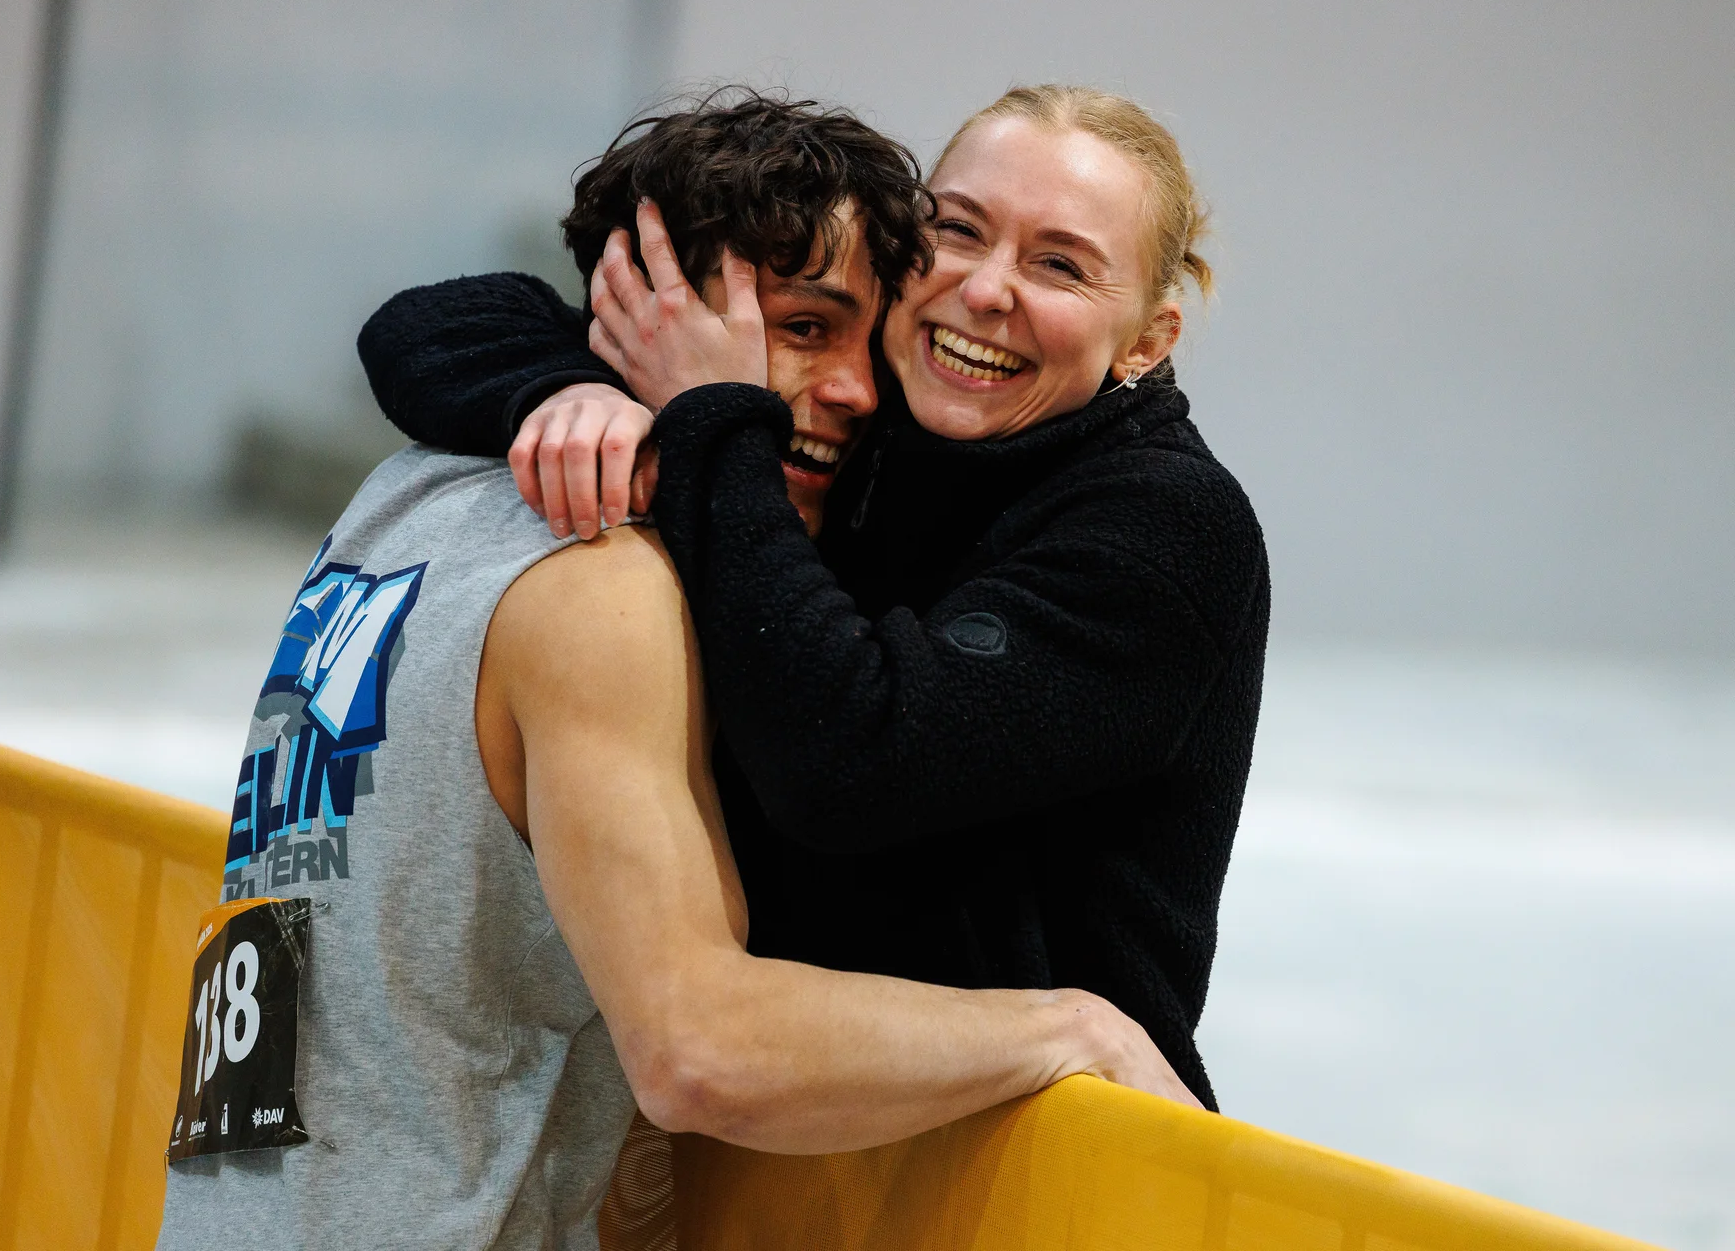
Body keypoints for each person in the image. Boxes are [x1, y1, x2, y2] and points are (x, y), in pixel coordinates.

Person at [159, 92, 1195, 1251]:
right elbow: (698, 1045)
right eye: (800, 329)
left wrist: (641, 402)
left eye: (1061, 260)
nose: (860, 393)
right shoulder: (609, 579)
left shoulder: (401, 493)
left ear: (1150, 334)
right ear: (642, 314)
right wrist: (1068, 1030)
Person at [358, 85, 1269, 1112]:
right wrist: (579, 387)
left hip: (1040, 1163)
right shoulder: (891, 413)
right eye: (959, 230)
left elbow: (853, 758)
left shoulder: (1170, 527)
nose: (985, 289)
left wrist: (709, 415)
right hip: (813, 1141)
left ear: (1147, 340)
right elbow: (431, 324)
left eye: (1059, 264)